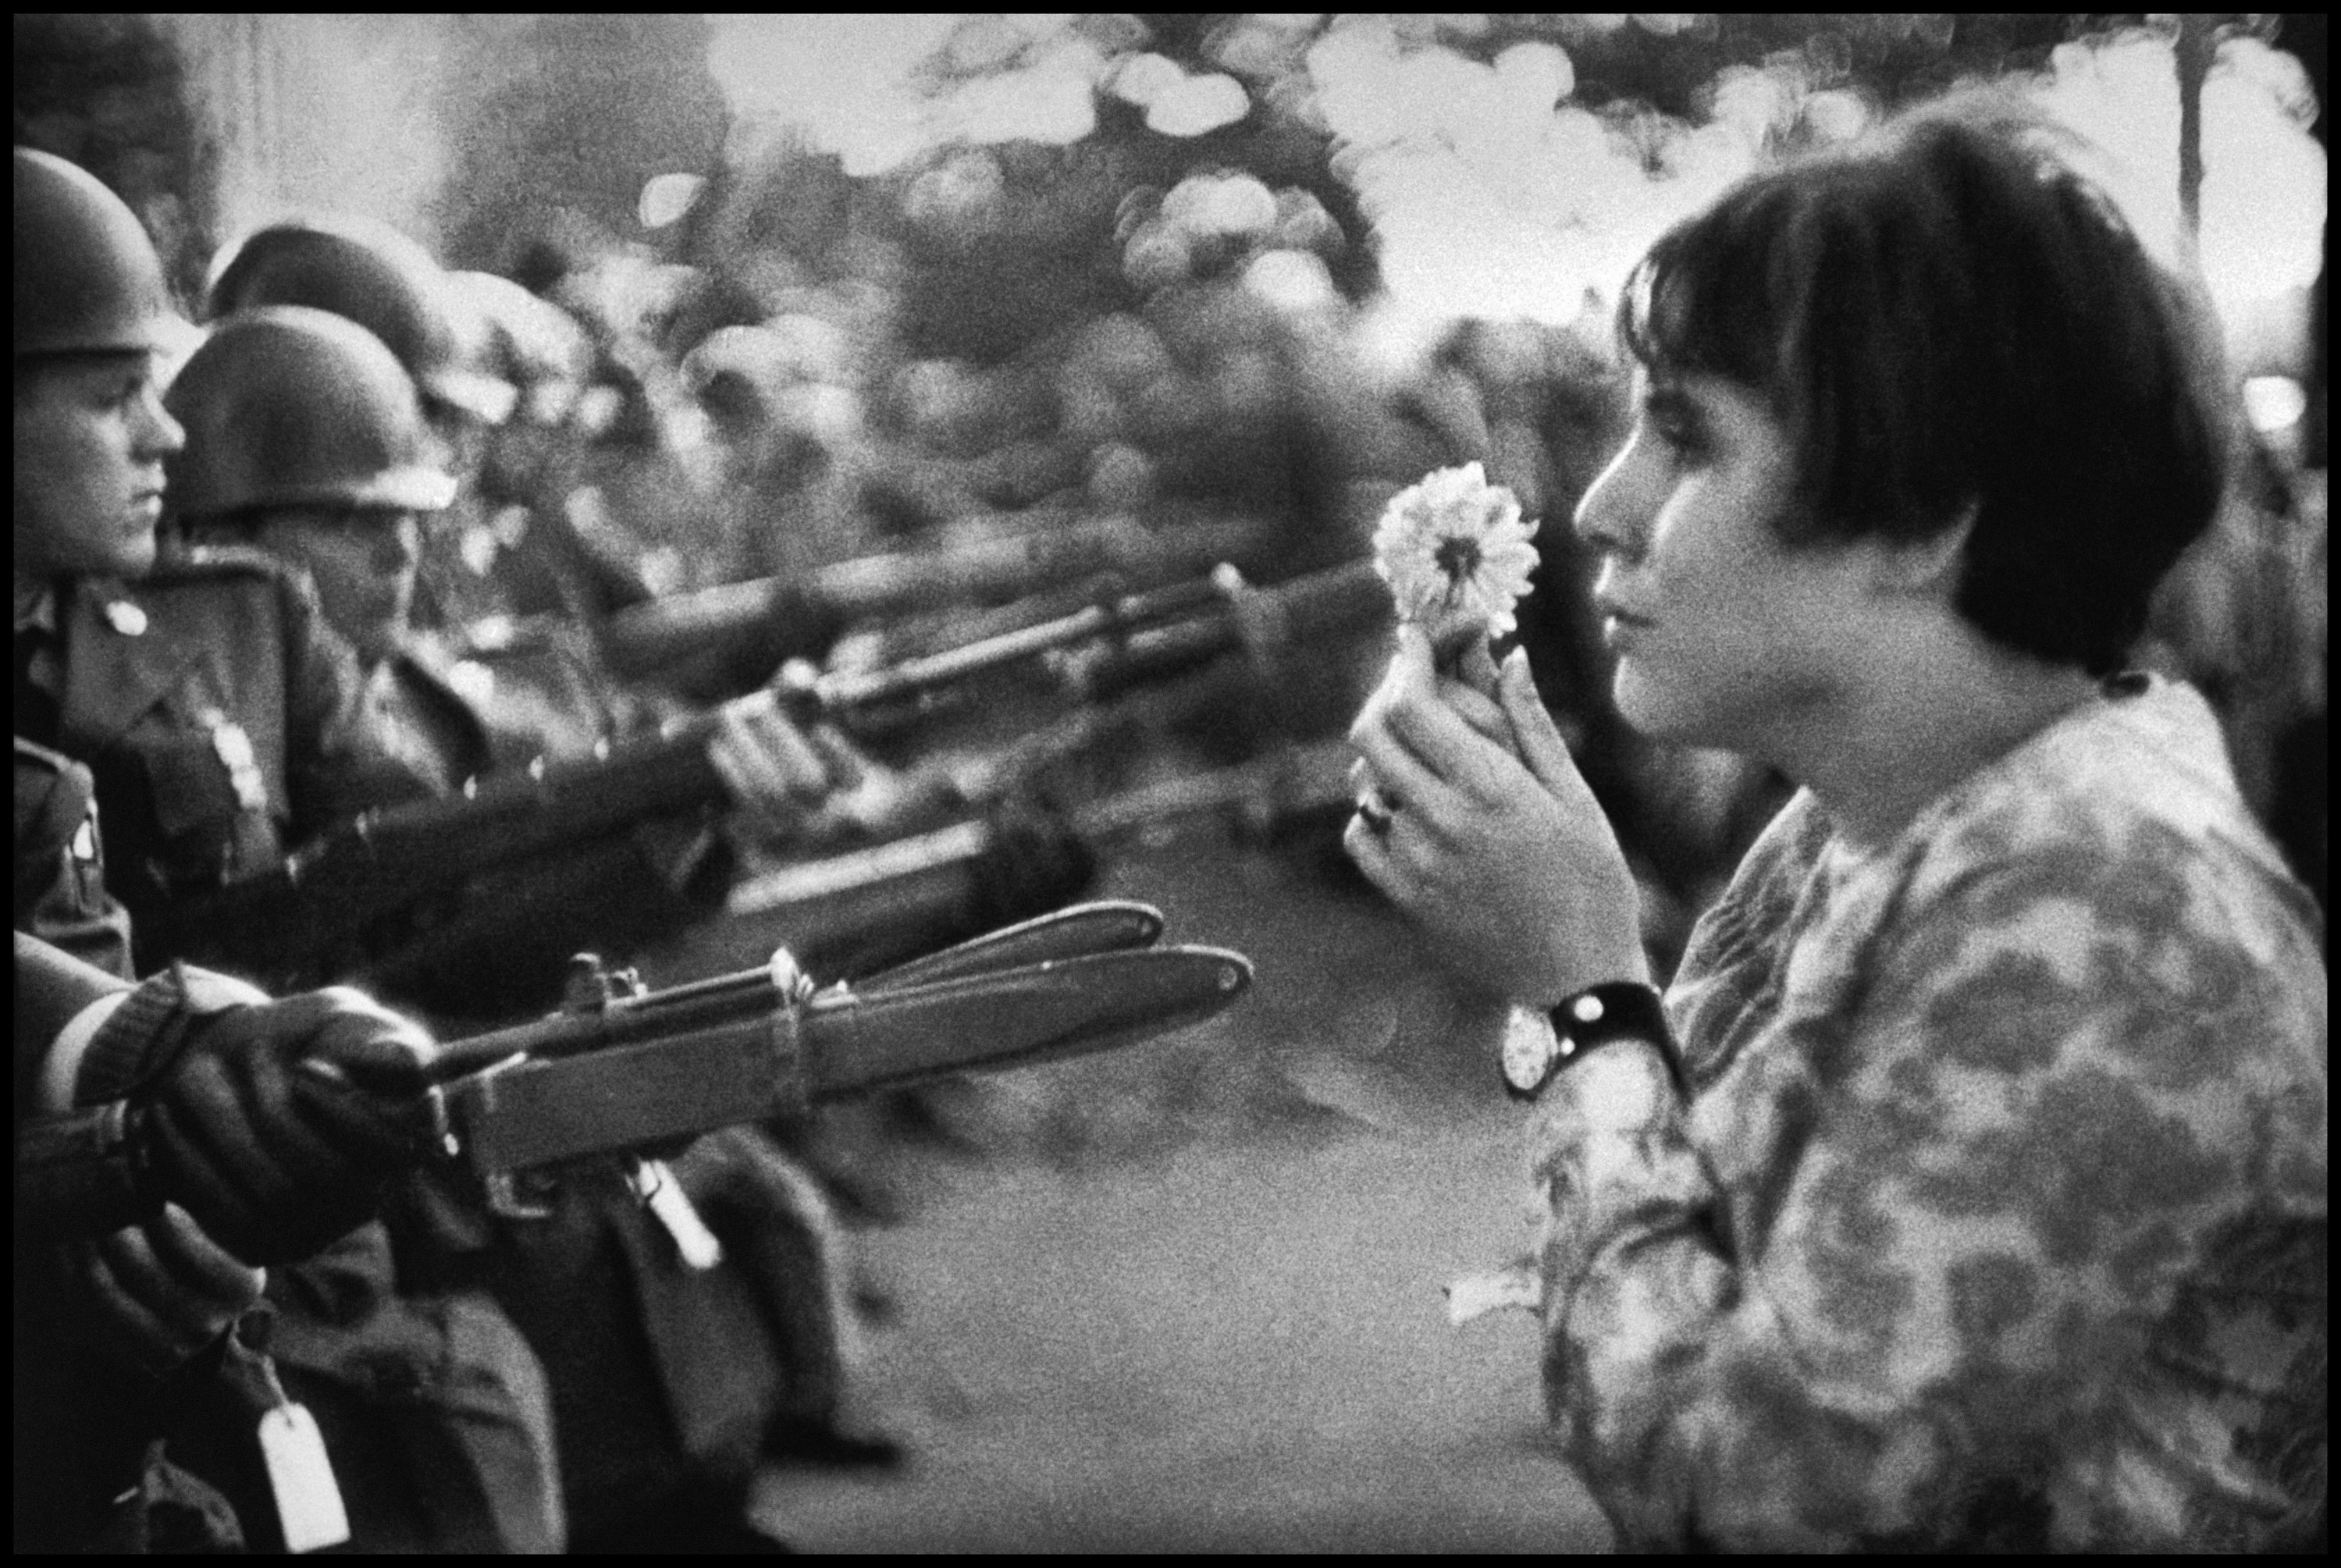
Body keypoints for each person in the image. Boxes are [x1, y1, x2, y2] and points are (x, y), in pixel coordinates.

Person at [1346, 105, 2326, 1551]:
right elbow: (1691, 1256)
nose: (1607, 508)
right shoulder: (1862, 826)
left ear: (1925, 514)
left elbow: (1749, 1498)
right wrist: (1559, 935)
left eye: (1686, 436)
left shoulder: (2107, 902)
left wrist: (1577, 996)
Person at [162, 297, 890, 1551]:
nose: (409, 543)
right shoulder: (218, 735)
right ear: (222, 532)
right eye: (353, 518)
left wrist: (695, 826)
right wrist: (670, 837)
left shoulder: (413, 691)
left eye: (409, 507)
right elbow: (410, 951)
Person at [17, 143, 564, 1554]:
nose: (167, 437)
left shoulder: (211, 625)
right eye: (112, 395)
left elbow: (427, 867)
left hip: (198, 1235)